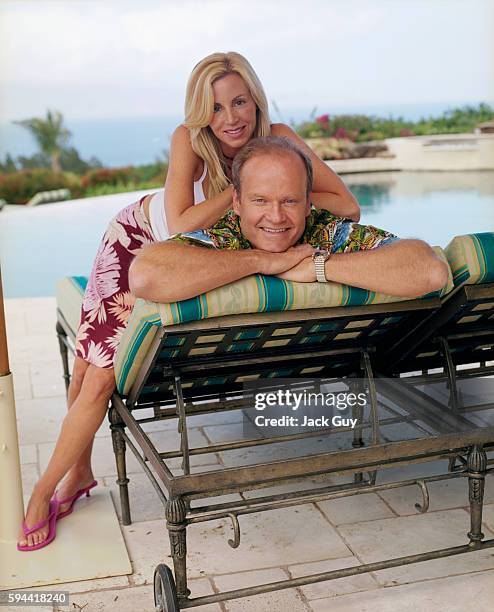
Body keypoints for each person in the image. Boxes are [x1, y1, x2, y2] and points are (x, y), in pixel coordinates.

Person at [17, 52, 359, 550]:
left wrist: (286, 191)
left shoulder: (282, 139)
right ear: (202, 113)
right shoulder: (190, 141)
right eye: (216, 108)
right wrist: (244, 183)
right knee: (91, 368)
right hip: (136, 241)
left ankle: (64, 482)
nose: (231, 118)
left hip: (182, 264)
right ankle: (61, 483)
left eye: (239, 102)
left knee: (97, 374)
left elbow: (347, 204)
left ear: (256, 100)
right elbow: (178, 222)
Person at [129, 136, 449, 304]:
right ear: (236, 203)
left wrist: (317, 268)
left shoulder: (326, 233)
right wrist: (261, 261)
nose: (276, 216)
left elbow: (430, 270)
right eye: (260, 201)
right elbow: (145, 275)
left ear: (309, 203)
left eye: (290, 201)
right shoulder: (223, 238)